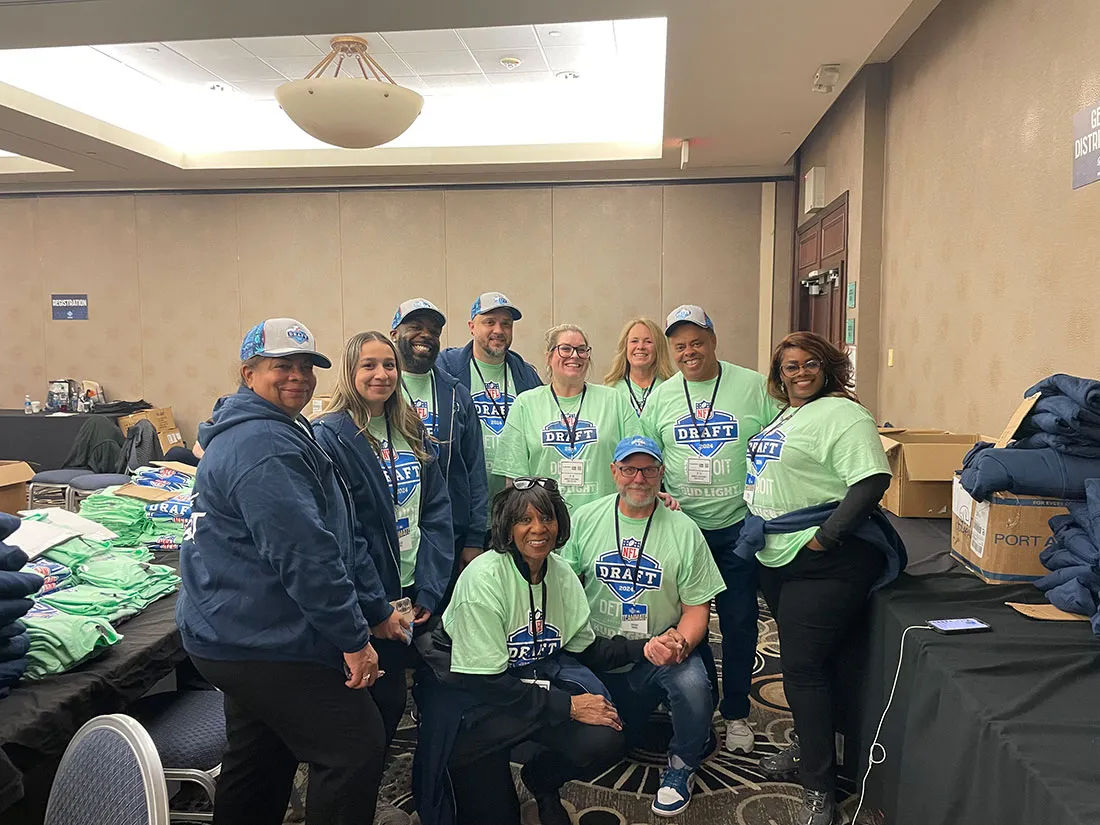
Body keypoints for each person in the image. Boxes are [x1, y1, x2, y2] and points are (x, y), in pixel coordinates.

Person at [176, 318, 385, 825]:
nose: (297, 377)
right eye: (281, 366)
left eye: (305, 367)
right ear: (249, 373)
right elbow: (307, 557)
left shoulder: (280, 429)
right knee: (353, 747)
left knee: (262, 754)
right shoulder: (264, 446)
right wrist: (353, 639)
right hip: (260, 640)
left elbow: (334, 527)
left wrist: (374, 610)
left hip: (232, 633)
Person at [741, 332, 905, 825]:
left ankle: (819, 787)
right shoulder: (790, 413)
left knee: (803, 668)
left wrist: (824, 539)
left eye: (809, 363)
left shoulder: (844, 413)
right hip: (778, 554)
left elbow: (872, 479)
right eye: (789, 366)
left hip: (826, 560)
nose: (799, 372)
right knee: (813, 665)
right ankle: (814, 748)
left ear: (828, 366)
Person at [419, 480, 647, 825]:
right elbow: (484, 682)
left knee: (606, 738)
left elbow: (587, 650)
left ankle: (541, 780)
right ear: (507, 529)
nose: (538, 529)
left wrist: (646, 647)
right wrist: (568, 706)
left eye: (547, 518)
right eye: (524, 520)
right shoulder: (483, 580)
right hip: (474, 707)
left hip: (525, 691)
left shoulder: (562, 574)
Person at [641, 304, 780, 755]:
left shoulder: (755, 386)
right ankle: (696, 708)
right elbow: (650, 458)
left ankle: (737, 711)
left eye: (697, 342)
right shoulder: (661, 397)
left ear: (713, 340)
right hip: (684, 531)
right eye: (679, 346)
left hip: (737, 529)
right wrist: (657, 494)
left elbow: (779, 445)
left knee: (739, 623)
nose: (689, 352)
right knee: (686, 623)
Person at [561, 436, 726, 817]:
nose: (639, 478)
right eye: (630, 468)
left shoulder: (684, 530)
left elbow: (698, 607)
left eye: (649, 469)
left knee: (693, 686)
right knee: (601, 741)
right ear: (613, 472)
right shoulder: (586, 518)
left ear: (661, 474)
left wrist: (679, 643)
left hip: (658, 651)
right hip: (597, 652)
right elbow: (563, 585)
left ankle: (681, 766)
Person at [312, 331, 454, 750]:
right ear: (350, 371)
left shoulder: (410, 427)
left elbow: (436, 511)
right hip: (367, 596)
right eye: (369, 365)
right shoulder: (331, 435)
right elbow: (343, 533)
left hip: (413, 587)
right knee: (372, 703)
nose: (381, 374)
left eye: (389, 365)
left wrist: (429, 586)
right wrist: (376, 604)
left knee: (397, 696)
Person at [495, 324, 642, 512]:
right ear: (548, 356)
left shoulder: (613, 401)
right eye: (565, 349)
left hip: (602, 522)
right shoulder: (525, 404)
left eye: (581, 350)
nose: (574, 355)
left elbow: (638, 462)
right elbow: (514, 481)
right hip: (545, 524)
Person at [390, 298, 489, 577]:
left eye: (434, 331)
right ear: (394, 333)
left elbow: (475, 470)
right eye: (416, 326)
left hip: (450, 536)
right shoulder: (380, 389)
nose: (426, 335)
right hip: (391, 534)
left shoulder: (456, 394)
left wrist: (474, 538)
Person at [435, 292, 542, 504]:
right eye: (489, 322)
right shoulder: (447, 369)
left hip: (513, 504)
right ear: (472, 326)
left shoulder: (526, 375)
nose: (498, 330)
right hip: (464, 503)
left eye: (506, 324)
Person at [603, 317, 675, 417]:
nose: (640, 346)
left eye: (648, 341)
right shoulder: (610, 390)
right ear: (625, 347)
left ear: (658, 348)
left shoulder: (672, 389)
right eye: (634, 341)